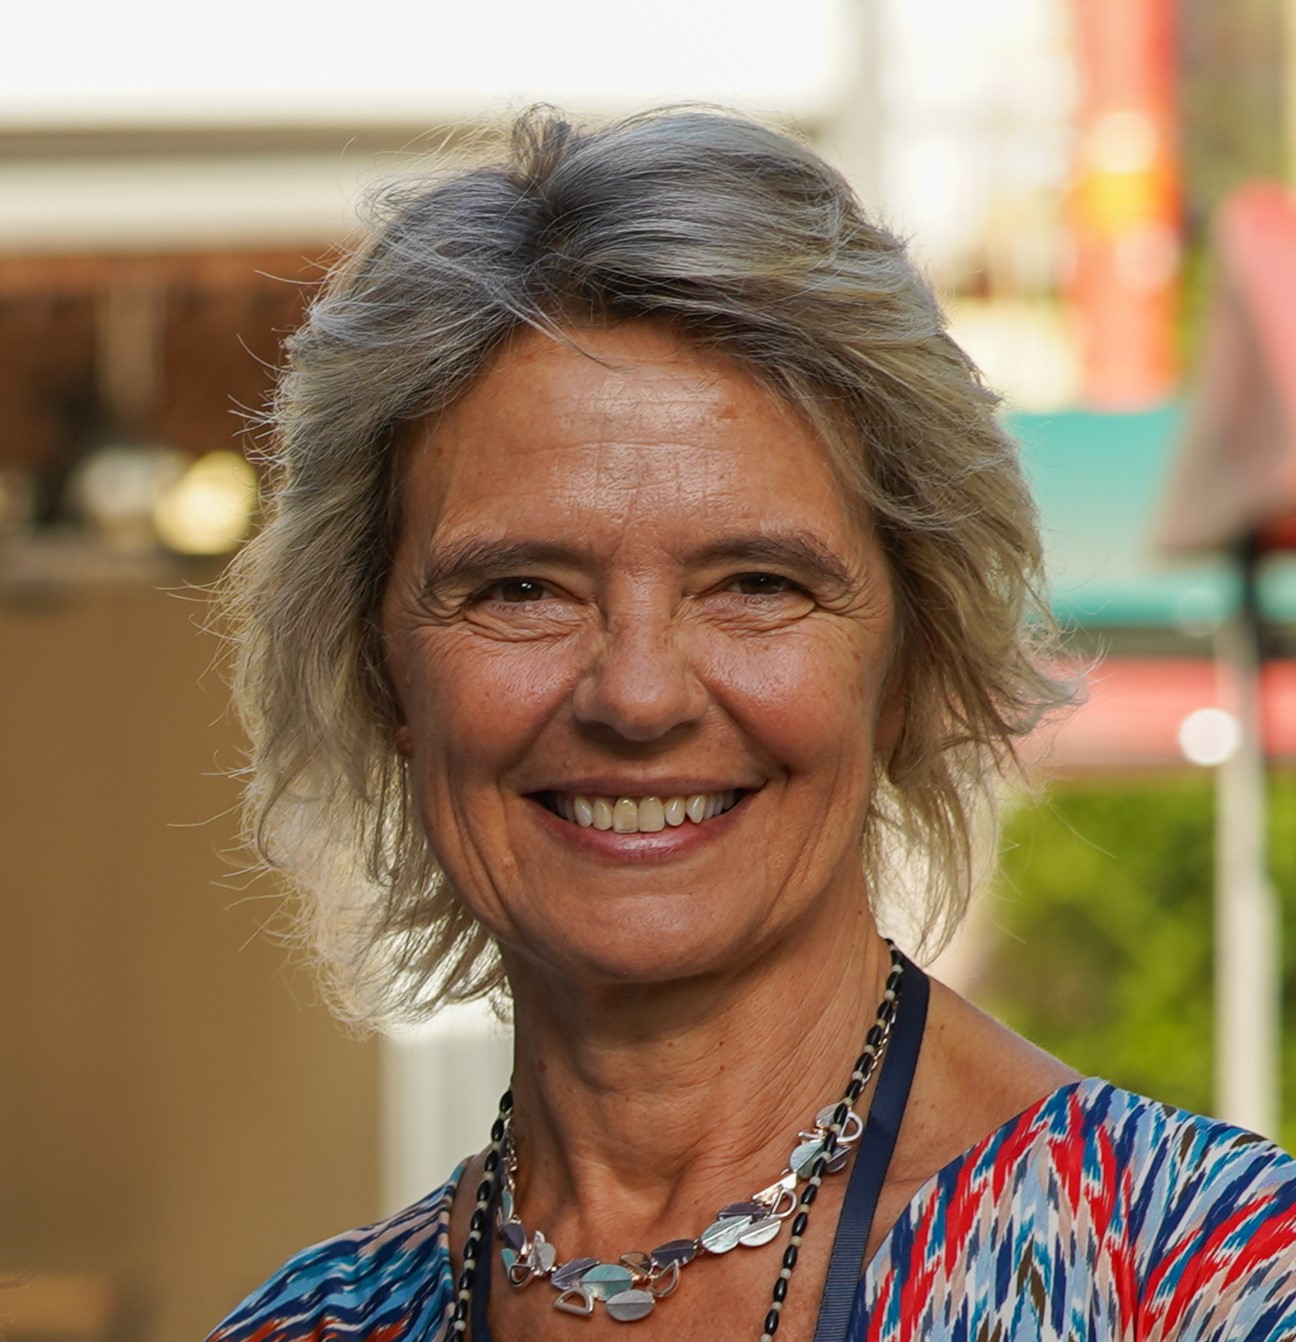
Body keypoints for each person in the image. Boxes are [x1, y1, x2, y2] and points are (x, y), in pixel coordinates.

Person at [207, 107, 1296, 1342]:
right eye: (521, 588)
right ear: (381, 671)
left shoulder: (1204, 1282)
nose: (638, 694)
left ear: (908, 659)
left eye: (756, 585)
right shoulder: (310, 1326)